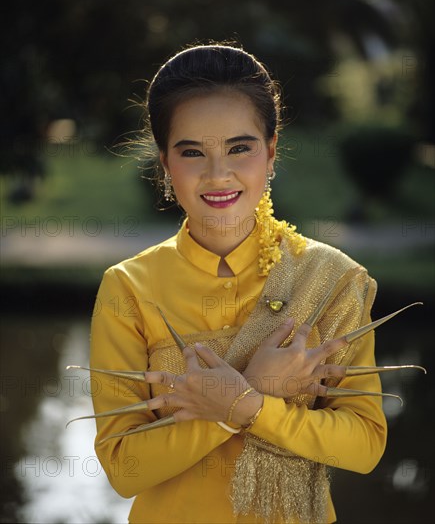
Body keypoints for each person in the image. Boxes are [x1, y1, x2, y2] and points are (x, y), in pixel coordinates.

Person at [89, 43, 387, 523]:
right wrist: (253, 392)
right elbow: (125, 468)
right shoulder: (129, 287)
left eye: (239, 147)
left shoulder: (332, 279)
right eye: (192, 152)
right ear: (165, 162)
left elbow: (365, 446)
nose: (218, 173)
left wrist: (246, 404)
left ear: (270, 152)